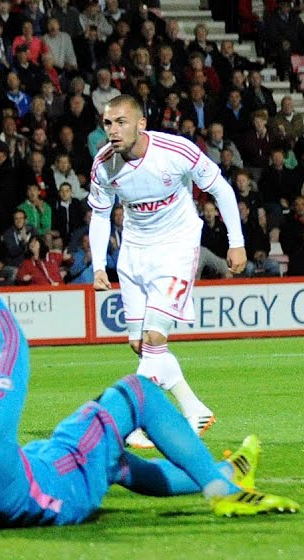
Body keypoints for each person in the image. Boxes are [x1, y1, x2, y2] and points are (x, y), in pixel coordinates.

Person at [0, 246, 299, 534]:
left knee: (112, 459)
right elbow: (14, 344)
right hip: (64, 492)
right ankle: (221, 488)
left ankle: (225, 471)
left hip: (34, 469)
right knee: (136, 391)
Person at [89, 95, 244, 449]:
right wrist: (100, 264)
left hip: (176, 248)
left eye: (121, 122)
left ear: (141, 123)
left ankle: (127, 420)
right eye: (107, 124)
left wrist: (236, 241)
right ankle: (194, 408)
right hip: (133, 252)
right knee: (140, 344)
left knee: (156, 339)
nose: (113, 131)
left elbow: (219, 187)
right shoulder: (103, 165)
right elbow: (100, 213)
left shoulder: (175, 150)